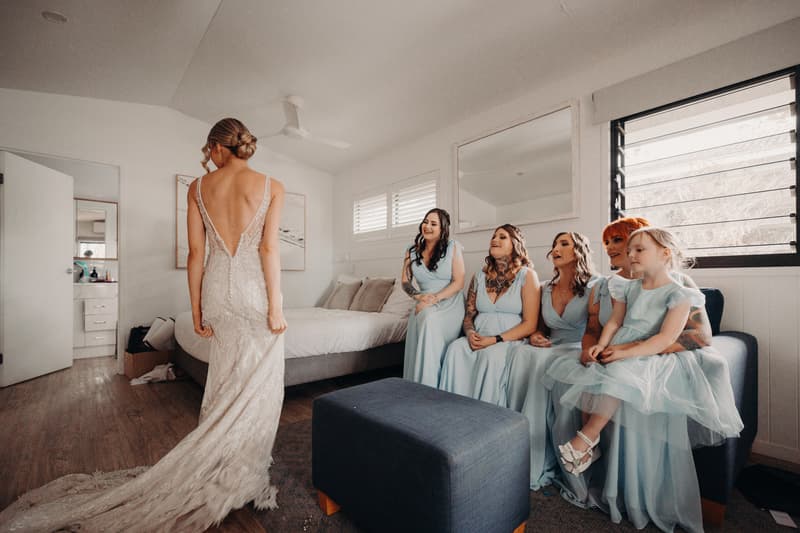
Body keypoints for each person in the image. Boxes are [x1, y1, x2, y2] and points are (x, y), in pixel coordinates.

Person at [0, 118, 287, 532]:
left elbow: (194, 253)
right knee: (259, 383)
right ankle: (242, 471)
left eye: (208, 150)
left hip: (217, 295)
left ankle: (221, 461)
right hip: (254, 292)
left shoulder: (197, 188)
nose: (206, 156)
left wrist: (198, 309)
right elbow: (269, 247)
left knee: (226, 379)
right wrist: (275, 306)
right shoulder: (270, 185)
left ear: (217, 146)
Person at [545, 227, 743, 532]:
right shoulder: (626, 287)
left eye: (637, 248)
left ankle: (587, 438)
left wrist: (626, 351)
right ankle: (592, 442)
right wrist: (601, 344)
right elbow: (613, 321)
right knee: (589, 374)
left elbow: (671, 337)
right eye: (629, 248)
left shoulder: (680, 290)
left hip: (646, 350)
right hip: (624, 342)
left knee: (620, 373)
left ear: (665, 253)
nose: (628, 253)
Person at [503, 232, 596, 489]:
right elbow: (539, 328)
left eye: (564, 244)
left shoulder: (595, 287)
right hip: (550, 346)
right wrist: (535, 336)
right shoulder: (545, 288)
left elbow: (595, 330)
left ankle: (572, 454)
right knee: (523, 353)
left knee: (553, 365)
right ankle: (523, 452)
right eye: (554, 244)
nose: (555, 248)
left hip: (577, 346)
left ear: (579, 250)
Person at [438, 224, 540, 405]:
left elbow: (530, 324)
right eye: (493, 236)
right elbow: (469, 315)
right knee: (455, 349)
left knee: (490, 357)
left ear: (515, 244)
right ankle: (451, 409)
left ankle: (485, 418)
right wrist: (469, 333)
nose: (495, 240)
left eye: (502, 237)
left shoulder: (527, 276)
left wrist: (494, 339)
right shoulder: (478, 276)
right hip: (478, 336)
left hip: (508, 340)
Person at [402, 208, 466, 387]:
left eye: (433, 223)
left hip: (450, 300)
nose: (427, 226)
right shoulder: (411, 251)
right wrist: (419, 296)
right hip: (424, 300)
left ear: (443, 228)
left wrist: (434, 299)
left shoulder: (453, 247)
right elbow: (405, 283)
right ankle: (416, 385)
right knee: (421, 315)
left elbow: (459, 282)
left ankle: (430, 387)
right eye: (425, 222)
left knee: (428, 318)